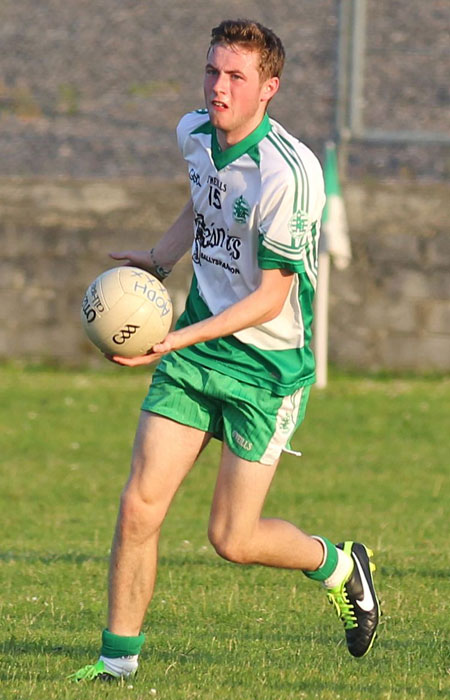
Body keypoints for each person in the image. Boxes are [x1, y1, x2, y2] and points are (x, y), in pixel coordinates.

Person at [70, 19, 379, 682]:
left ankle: (340, 565)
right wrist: (160, 257)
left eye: (236, 76)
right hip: (197, 355)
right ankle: (116, 665)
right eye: (213, 71)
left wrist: (169, 334)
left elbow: (271, 297)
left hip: (266, 369)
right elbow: (203, 199)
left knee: (232, 540)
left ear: (269, 88)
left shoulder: (288, 174)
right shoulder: (194, 134)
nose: (218, 87)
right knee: (139, 503)